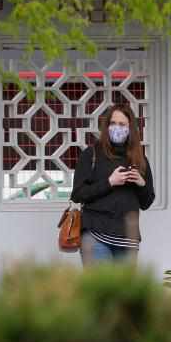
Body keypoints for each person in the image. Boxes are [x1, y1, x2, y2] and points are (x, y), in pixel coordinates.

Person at [71, 104, 155, 266]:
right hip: (95, 236)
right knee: (100, 290)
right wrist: (110, 182)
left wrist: (141, 183)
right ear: (106, 126)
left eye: (122, 124)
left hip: (127, 241)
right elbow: (78, 194)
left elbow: (147, 202)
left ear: (130, 128)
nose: (117, 128)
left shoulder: (140, 159)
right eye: (113, 123)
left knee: (123, 292)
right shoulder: (91, 154)